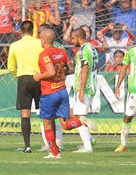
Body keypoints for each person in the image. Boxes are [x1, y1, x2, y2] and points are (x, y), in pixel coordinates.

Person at [33, 29, 96, 159]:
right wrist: (61, 74)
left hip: (50, 93)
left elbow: (50, 72)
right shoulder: (62, 52)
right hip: (62, 91)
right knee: (65, 125)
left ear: (44, 40)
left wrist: (38, 76)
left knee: (47, 123)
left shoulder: (44, 54)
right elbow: (71, 69)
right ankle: (79, 121)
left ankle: (55, 153)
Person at [6, 20, 43, 153]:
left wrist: (19, 74)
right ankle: (51, 143)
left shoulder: (15, 45)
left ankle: (27, 146)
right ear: (33, 30)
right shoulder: (40, 43)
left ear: (21, 31)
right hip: (39, 78)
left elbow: (10, 67)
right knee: (45, 112)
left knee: (25, 113)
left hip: (24, 78)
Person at [71, 27, 99, 153]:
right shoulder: (92, 48)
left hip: (85, 87)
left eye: (73, 38)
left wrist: (81, 89)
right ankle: (89, 140)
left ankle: (88, 146)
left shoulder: (82, 51)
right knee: (77, 114)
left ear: (79, 37)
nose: (72, 41)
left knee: (79, 116)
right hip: (92, 85)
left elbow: (85, 69)